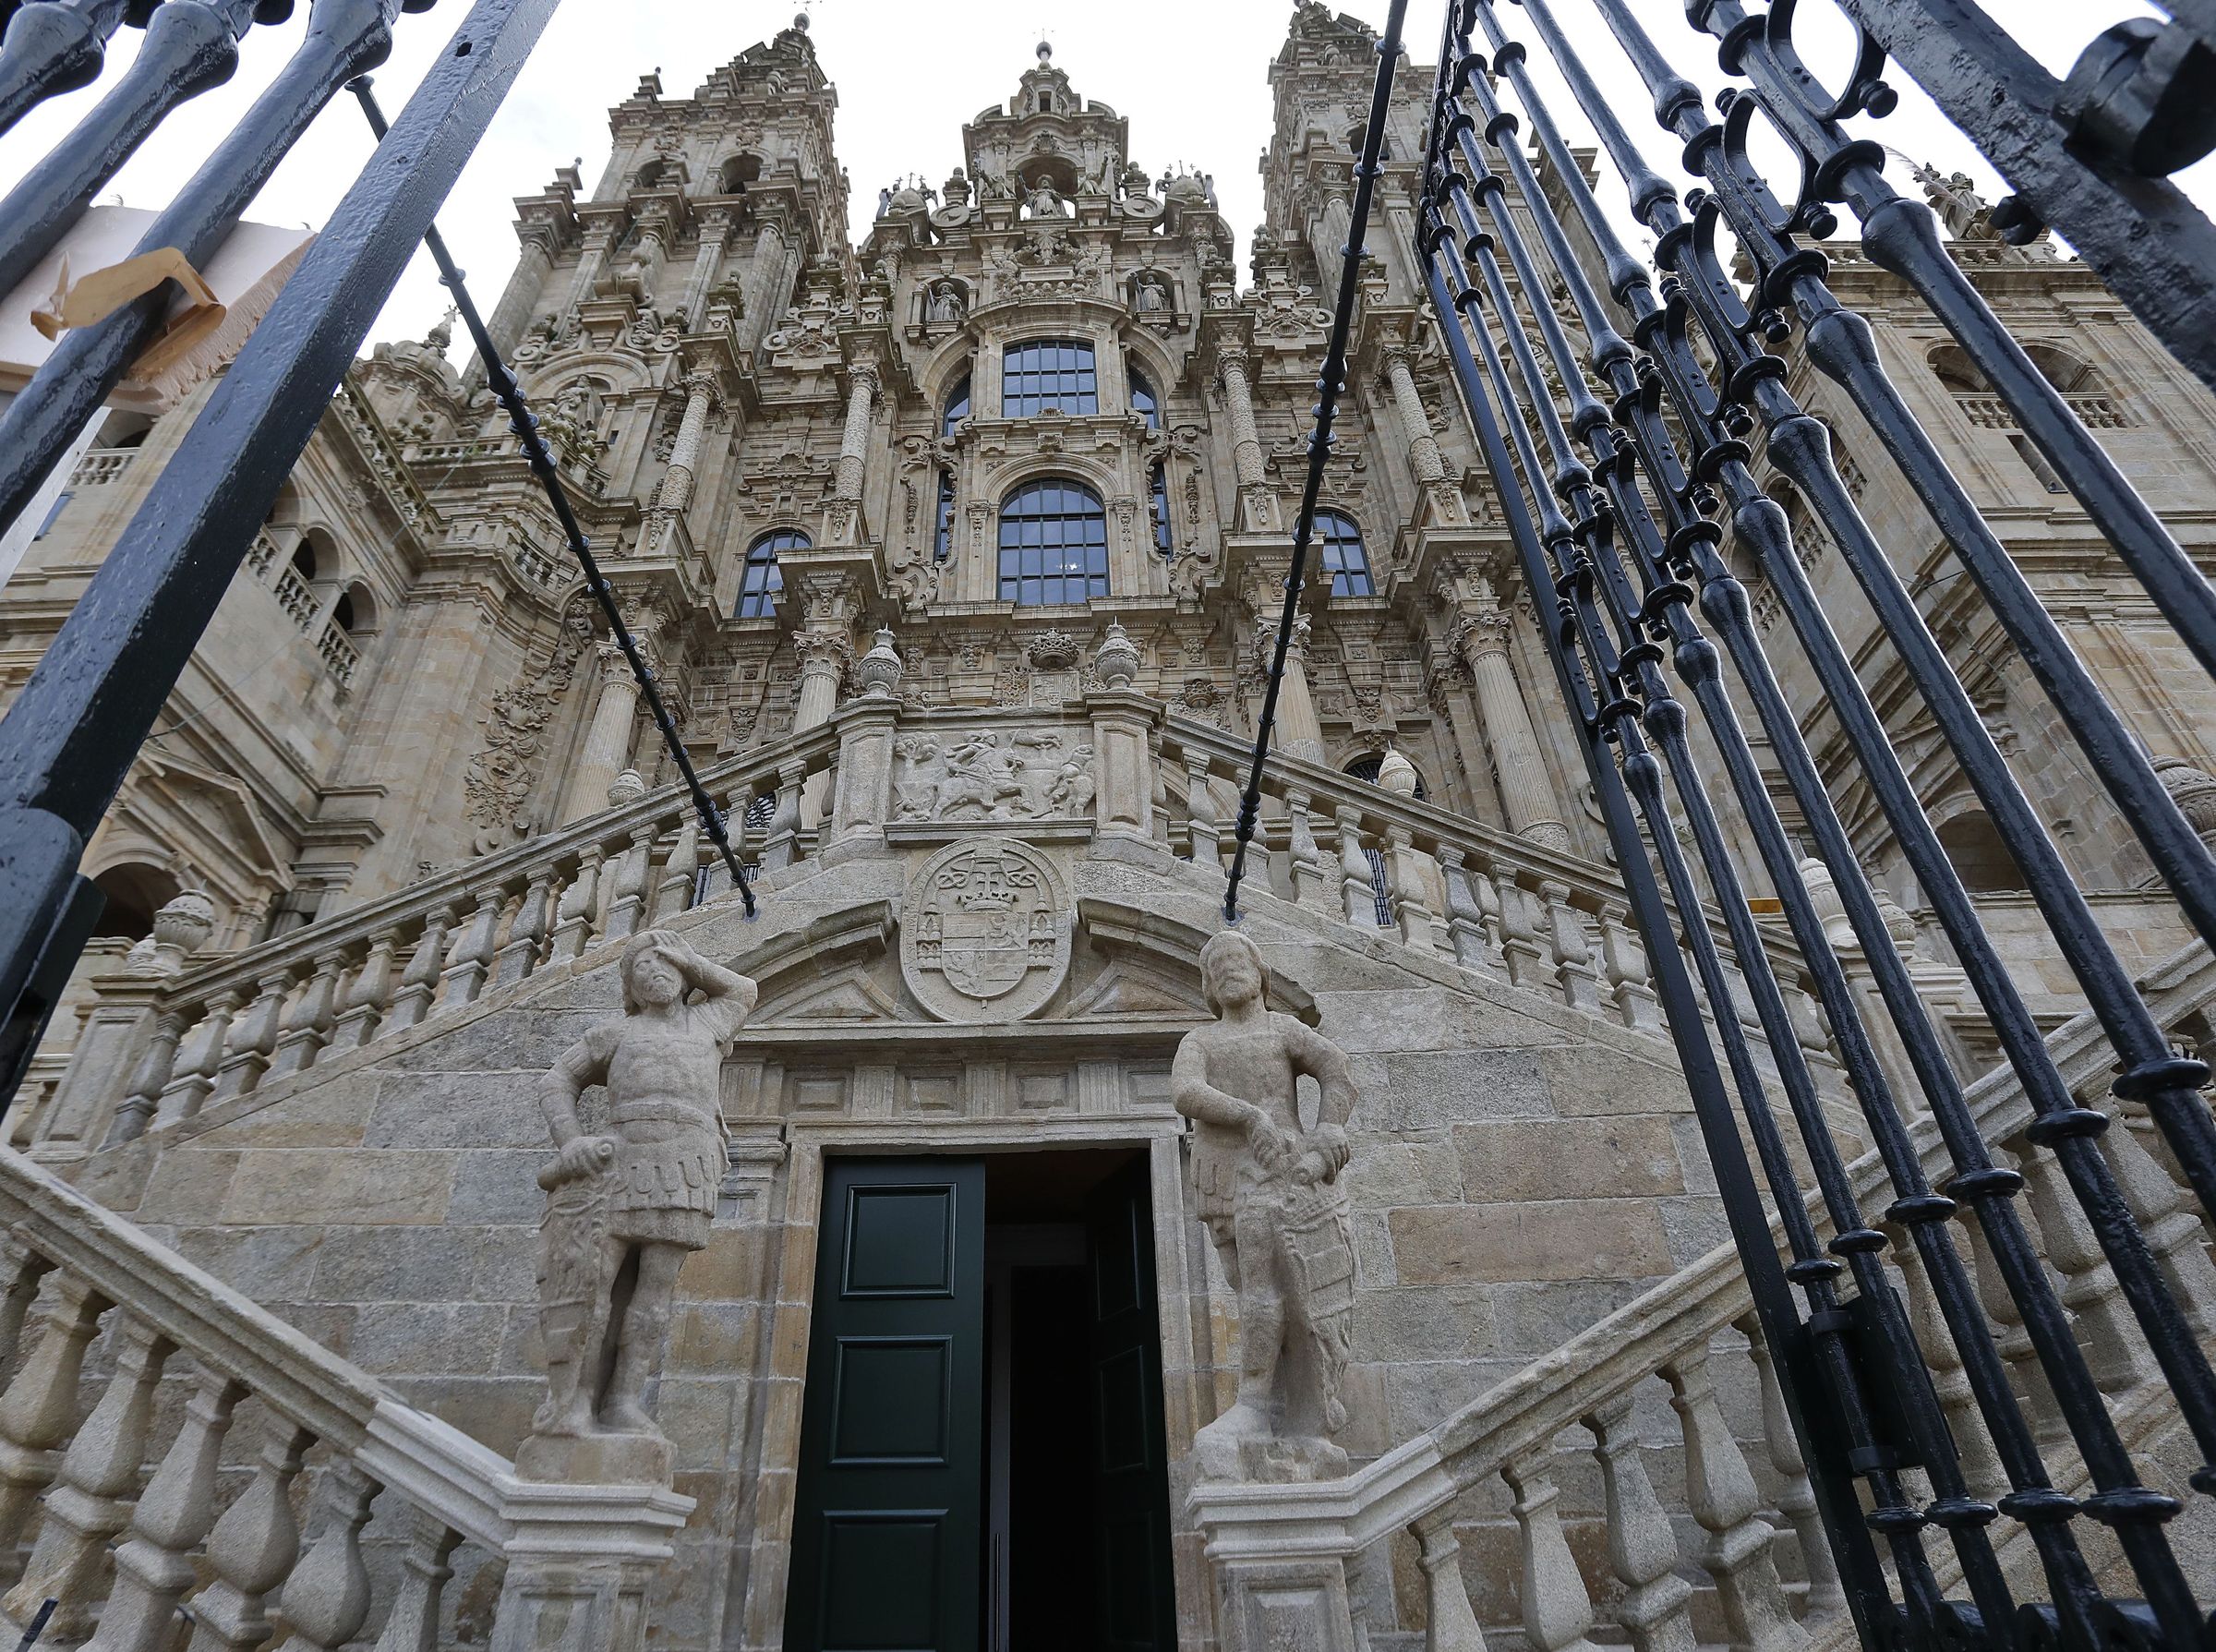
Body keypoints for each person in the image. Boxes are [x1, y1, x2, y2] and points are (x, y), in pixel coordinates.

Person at [535, 929, 759, 1436]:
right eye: (642, 968)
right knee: (591, 1285)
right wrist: (570, 1141)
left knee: (654, 1293)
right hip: (621, 1158)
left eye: (665, 966)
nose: (655, 973)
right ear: (629, 988)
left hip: (686, 1161)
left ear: (684, 977)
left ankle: (623, 1402)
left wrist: (690, 956)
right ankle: (572, 1400)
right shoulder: (615, 1033)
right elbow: (556, 1081)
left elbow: (743, 990)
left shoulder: (707, 1022)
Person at [1173, 930, 1358, 1469]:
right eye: (1217, 965)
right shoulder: (1200, 1041)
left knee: (1268, 1285)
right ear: (1208, 986)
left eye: (1238, 960)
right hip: (1226, 1172)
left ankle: (1259, 1401)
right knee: (1248, 1284)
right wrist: (1248, 1114)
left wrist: (1327, 1132)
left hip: (1281, 1176)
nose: (1229, 968)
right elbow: (1185, 1091)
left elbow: (1338, 1071)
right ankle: (1278, 1396)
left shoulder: (1282, 1029)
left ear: (1261, 975)